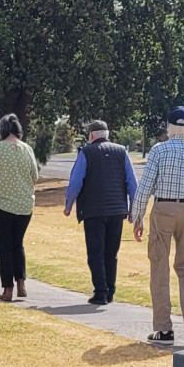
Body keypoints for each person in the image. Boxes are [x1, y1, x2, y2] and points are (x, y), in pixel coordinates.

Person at [131, 104, 184, 342]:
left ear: (169, 128)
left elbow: (145, 187)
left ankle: (164, 327)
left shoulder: (159, 150)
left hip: (164, 209)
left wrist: (137, 216)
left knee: (159, 268)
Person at [62, 119, 137, 305]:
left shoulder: (86, 152)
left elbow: (75, 183)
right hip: (117, 210)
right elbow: (132, 183)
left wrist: (68, 204)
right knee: (111, 253)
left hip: (93, 210)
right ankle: (110, 290)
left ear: (91, 135)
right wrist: (133, 209)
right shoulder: (122, 152)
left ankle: (100, 291)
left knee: (95, 253)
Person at [0, 113, 40, 302]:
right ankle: (21, 283)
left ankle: (8, 289)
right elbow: (34, 177)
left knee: (3, 245)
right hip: (24, 205)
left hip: (0, 204)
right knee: (17, 243)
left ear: (2, 129)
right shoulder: (27, 149)